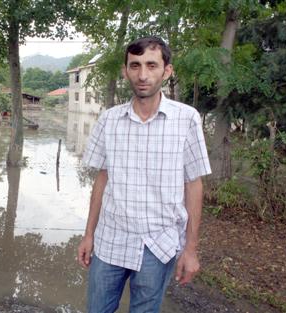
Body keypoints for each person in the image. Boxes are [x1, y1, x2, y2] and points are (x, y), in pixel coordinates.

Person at [77, 36, 212, 313]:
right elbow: (102, 179)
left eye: (151, 65)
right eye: (135, 65)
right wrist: (88, 234)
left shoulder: (186, 119)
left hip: (159, 244)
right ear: (125, 70)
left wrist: (190, 249)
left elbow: (194, 184)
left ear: (167, 71)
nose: (142, 75)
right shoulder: (109, 120)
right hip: (110, 240)